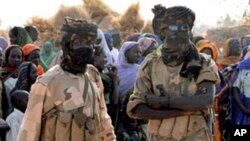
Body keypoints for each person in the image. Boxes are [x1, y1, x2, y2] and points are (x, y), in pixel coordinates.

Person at [127, 5, 220, 141]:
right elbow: (138, 107)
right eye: (174, 28)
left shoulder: (203, 62)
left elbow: (205, 100)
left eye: (184, 28)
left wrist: (162, 102)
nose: (179, 33)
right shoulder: (151, 64)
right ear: (163, 32)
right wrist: (183, 110)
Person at [17, 17, 116, 141]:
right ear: (66, 46)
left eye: (89, 43)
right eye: (78, 43)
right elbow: (29, 132)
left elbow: (103, 121)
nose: (85, 47)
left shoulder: (93, 77)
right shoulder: (47, 83)